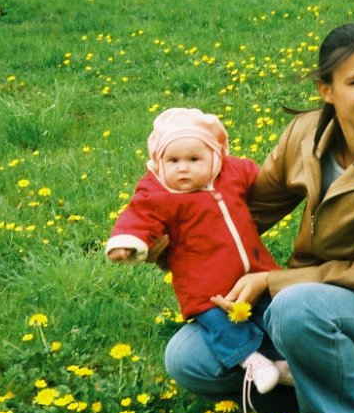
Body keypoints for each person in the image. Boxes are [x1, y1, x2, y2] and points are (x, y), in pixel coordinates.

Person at [164, 23, 354, 413]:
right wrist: (173, 239)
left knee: (295, 307)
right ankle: (321, 390)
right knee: (187, 358)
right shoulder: (305, 133)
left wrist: (271, 282)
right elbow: (249, 213)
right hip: (305, 308)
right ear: (326, 90)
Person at [105, 107, 287, 394]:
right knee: (223, 328)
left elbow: (265, 180)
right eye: (173, 160)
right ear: (158, 161)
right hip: (205, 291)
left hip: (256, 271)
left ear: (215, 157)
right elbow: (137, 217)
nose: (183, 168)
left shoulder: (231, 172)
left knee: (274, 314)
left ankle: (289, 362)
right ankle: (253, 362)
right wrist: (127, 243)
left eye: (193, 159)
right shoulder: (157, 193)